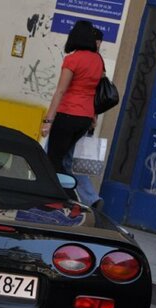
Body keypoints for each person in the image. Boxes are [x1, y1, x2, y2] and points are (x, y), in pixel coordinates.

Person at [41, 20, 104, 209]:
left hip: (67, 115)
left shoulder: (72, 59)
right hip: (85, 118)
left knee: (52, 161)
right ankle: (87, 199)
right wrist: (94, 117)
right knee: (66, 160)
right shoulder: (98, 61)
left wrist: (48, 120)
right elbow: (98, 91)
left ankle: (65, 200)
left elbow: (60, 91)